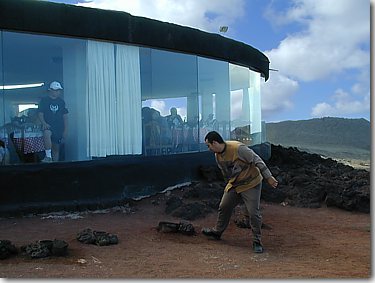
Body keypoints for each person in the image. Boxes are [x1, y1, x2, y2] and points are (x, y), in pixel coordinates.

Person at [202, 131, 278, 253]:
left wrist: (269, 177)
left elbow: (256, 160)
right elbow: (226, 174)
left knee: (254, 213)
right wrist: (229, 186)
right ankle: (217, 231)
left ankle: (256, 241)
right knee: (224, 206)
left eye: (208, 145)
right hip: (235, 185)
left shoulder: (238, 148)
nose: (208, 148)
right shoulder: (218, 156)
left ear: (215, 143)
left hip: (251, 183)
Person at [38, 81, 68, 162]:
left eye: (59, 90)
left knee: (56, 148)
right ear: (50, 90)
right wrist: (44, 123)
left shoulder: (61, 102)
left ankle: (55, 165)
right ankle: (48, 156)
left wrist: (65, 130)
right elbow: (40, 113)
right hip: (48, 125)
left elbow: (65, 116)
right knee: (47, 133)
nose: (58, 92)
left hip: (58, 127)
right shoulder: (44, 101)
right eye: (56, 90)